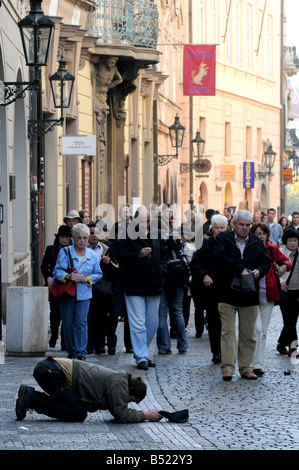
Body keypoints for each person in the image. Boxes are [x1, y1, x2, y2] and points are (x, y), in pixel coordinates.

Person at [214, 210, 271, 381]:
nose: (245, 228)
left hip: (249, 294)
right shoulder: (224, 239)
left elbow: (266, 261)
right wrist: (240, 269)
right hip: (227, 293)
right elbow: (219, 257)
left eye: (247, 225)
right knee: (227, 333)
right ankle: (228, 368)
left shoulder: (255, 241)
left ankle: (246, 367)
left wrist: (258, 271)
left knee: (248, 334)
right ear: (234, 224)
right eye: (241, 224)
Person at [15, 356, 162, 423]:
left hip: (50, 369)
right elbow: (121, 414)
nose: (128, 402)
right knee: (77, 413)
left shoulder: (119, 380)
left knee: (74, 408)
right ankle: (32, 398)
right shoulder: (119, 385)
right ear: (131, 390)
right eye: (132, 400)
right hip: (52, 372)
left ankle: (32, 398)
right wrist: (146, 416)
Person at [117, 206, 166, 370]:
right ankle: (141, 357)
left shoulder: (156, 233)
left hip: (154, 284)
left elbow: (163, 255)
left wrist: (161, 270)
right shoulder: (127, 235)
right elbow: (121, 258)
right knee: (138, 323)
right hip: (134, 284)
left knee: (153, 322)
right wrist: (138, 255)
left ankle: (142, 352)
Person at [53, 223, 102, 360]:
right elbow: (56, 271)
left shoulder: (92, 255)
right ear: (73, 238)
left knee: (81, 322)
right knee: (68, 323)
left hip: (84, 293)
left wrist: (86, 278)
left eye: (85, 238)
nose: (82, 241)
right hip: (67, 292)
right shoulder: (65, 252)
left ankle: (81, 352)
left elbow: (98, 274)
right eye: (79, 238)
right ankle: (71, 350)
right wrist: (68, 276)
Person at [250, 223, 291, 376]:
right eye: (258, 233)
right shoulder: (249, 248)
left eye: (264, 234)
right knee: (257, 330)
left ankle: (258, 364)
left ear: (267, 235)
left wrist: (284, 267)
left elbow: (286, 261)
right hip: (251, 295)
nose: (261, 236)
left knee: (263, 331)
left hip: (268, 295)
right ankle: (249, 362)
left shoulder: (272, 249)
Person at [191, 214, 228, 364]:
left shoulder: (231, 243)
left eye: (222, 228)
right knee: (214, 322)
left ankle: (227, 351)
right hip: (212, 290)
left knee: (227, 323)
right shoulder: (205, 244)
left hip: (228, 289)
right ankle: (216, 352)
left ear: (227, 228)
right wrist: (204, 275)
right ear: (212, 229)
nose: (219, 230)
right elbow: (196, 264)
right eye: (217, 228)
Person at [86, 222, 117, 355]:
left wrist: (109, 263)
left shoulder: (106, 248)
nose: (94, 236)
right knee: (89, 318)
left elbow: (116, 268)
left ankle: (100, 345)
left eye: (96, 233)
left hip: (103, 290)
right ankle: (89, 345)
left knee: (102, 318)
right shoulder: (82, 249)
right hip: (86, 287)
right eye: (91, 233)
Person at [156, 232, 189, 356]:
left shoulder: (155, 242)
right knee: (177, 312)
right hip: (177, 281)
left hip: (162, 282)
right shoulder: (174, 240)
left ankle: (164, 347)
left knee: (162, 315)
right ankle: (183, 344)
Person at [40, 225, 73, 348]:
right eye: (62, 237)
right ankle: (54, 334)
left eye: (67, 237)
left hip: (68, 285)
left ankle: (65, 341)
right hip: (54, 285)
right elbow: (44, 266)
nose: (64, 239)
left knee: (67, 313)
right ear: (58, 238)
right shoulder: (51, 249)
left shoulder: (73, 250)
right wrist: (48, 277)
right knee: (55, 312)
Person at [276, 228, 299, 357]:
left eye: (295, 240)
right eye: (290, 241)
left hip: (297, 292)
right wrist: (281, 282)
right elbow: (275, 271)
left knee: (292, 320)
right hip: (283, 291)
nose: (293, 243)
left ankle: (281, 343)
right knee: (289, 319)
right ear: (286, 242)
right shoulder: (280, 253)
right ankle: (293, 348)